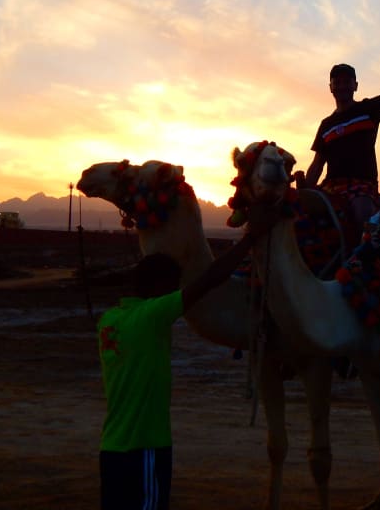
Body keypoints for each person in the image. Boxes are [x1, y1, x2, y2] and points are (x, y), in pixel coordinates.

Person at [97, 208, 275, 509]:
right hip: (145, 447)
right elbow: (212, 279)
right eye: (172, 285)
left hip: (111, 448)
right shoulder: (153, 315)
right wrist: (251, 238)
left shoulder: (109, 321)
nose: (175, 292)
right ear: (157, 287)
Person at [304, 27, 380, 230]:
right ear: (330, 87)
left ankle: (365, 259)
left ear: (355, 85)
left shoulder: (369, 110)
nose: (342, 86)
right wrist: (303, 193)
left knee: (362, 215)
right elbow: (317, 164)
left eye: (346, 82)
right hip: (331, 187)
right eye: (337, 82)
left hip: (361, 187)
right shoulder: (326, 125)